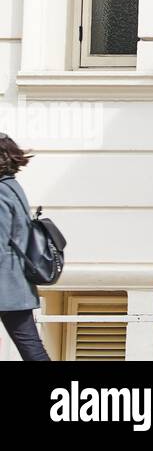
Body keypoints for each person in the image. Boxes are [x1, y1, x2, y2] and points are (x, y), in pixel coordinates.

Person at [0, 134, 50, 361]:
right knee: (31, 347)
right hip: (15, 284)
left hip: (5, 284)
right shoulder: (12, 186)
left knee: (31, 348)